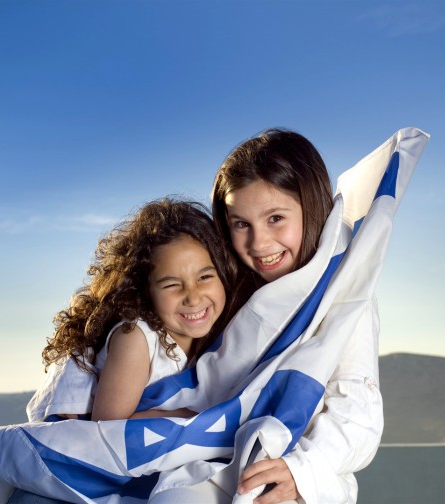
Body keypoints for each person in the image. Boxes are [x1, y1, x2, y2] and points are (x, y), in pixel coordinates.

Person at [150, 129, 383, 504]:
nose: (258, 243)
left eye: (275, 218)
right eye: (241, 224)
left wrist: (302, 470)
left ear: (312, 205)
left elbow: (359, 412)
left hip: (291, 469)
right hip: (208, 459)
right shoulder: (226, 285)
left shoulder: (342, 292)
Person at [9, 198, 237, 503]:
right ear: (145, 291)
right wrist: (188, 416)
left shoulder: (215, 336)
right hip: (73, 459)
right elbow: (109, 426)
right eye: (172, 285)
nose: (193, 297)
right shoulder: (135, 337)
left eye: (205, 277)